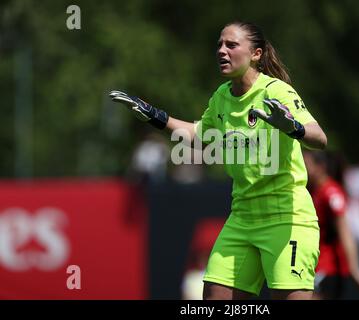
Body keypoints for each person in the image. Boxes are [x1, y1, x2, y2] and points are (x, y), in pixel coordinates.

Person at [109, 21, 327, 300]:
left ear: (256, 54)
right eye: (220, 45)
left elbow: (319, 138)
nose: (222, 51)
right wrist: (155, 116)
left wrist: (292, 127)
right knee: (213, 297)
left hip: (287, 218)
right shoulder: (222, 95)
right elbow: (201, 135)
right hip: (243, 217)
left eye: (231, 45)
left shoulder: (277, 91)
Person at [303, 151, 359, 299]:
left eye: (306, 164)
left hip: (328, 266)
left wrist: (354, 269)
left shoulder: (331, 193)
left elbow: (345, 231)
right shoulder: (312, 191)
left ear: (320, 167)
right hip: (314, 264)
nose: (302, 168)